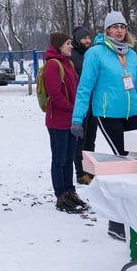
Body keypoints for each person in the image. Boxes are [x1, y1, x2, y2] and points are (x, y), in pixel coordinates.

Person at [70, 10, 137, 241]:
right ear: (107, 30)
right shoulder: (95, 54)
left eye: (122, 26)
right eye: (114, 27)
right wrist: (78, 119)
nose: (119, 30)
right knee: (125, 164)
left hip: (132, 114)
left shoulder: (131, 55)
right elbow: (84, 87)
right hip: (108, 115)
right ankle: (116, 222)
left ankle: (134, 217)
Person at [44, 32, 88, 213]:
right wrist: (72, 108)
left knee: (69, 158)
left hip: (71, 120)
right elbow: (54, 93)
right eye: (68, 43)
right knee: (59, 159)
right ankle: (60, 195)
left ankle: (70, 191)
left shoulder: (68, 63)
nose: (71, 46)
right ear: (59, 46)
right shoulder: (53, 65)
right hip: (57, 121)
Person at [70, 25, 97, 185]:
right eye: (84, 38)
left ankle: (90, 170)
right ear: (77, 39)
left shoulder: (92, 54)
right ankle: (80, 172)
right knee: (79, 139)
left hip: (93, 102)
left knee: (90, 139)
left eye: (89, 38)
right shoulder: (72, 55)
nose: (87, 41)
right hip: (79, 102)